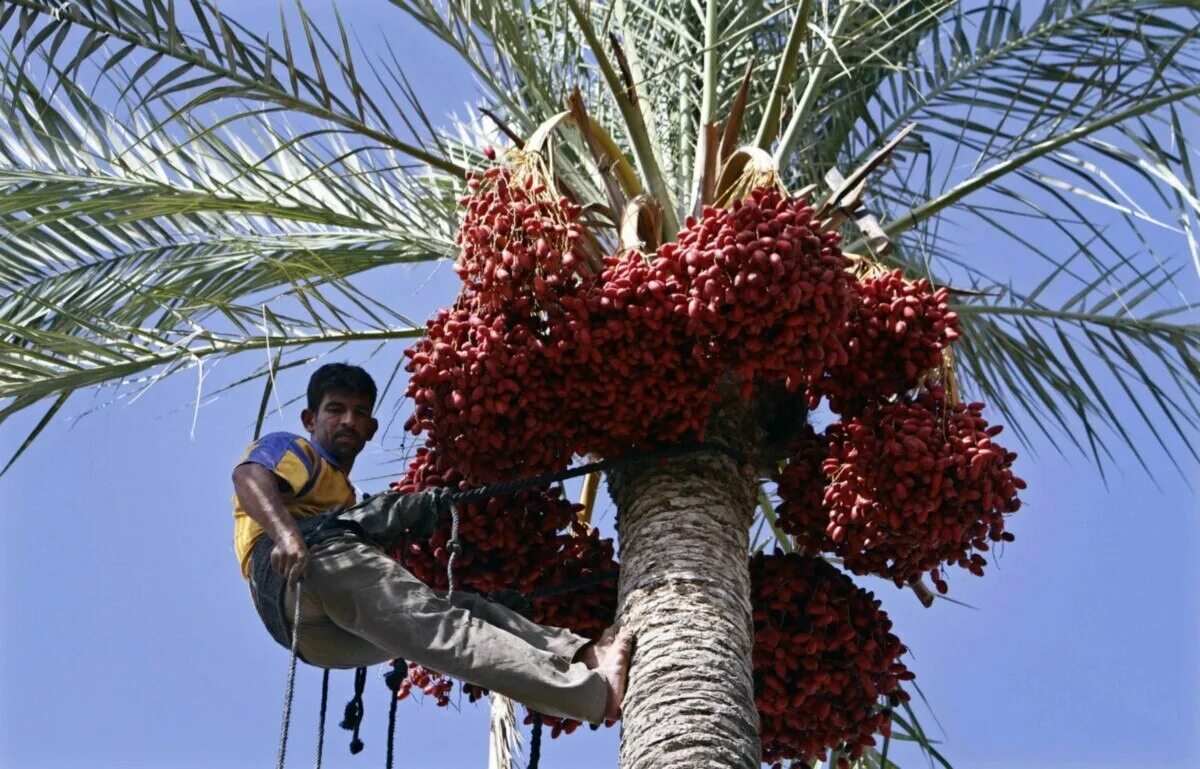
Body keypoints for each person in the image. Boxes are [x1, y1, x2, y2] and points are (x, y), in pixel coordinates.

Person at [231, 362, 632, 723]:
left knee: (468, 611)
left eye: (359, 413)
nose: (348, 421)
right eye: (335, 409)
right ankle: (594, 695)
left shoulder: (345, 497)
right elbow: (250, 477)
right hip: (301, 571)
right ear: (310, 418)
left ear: (371, 428)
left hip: (311, 641)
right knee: (446, 629)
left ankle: (582, 655)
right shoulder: (299, 451)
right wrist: (287, 536)